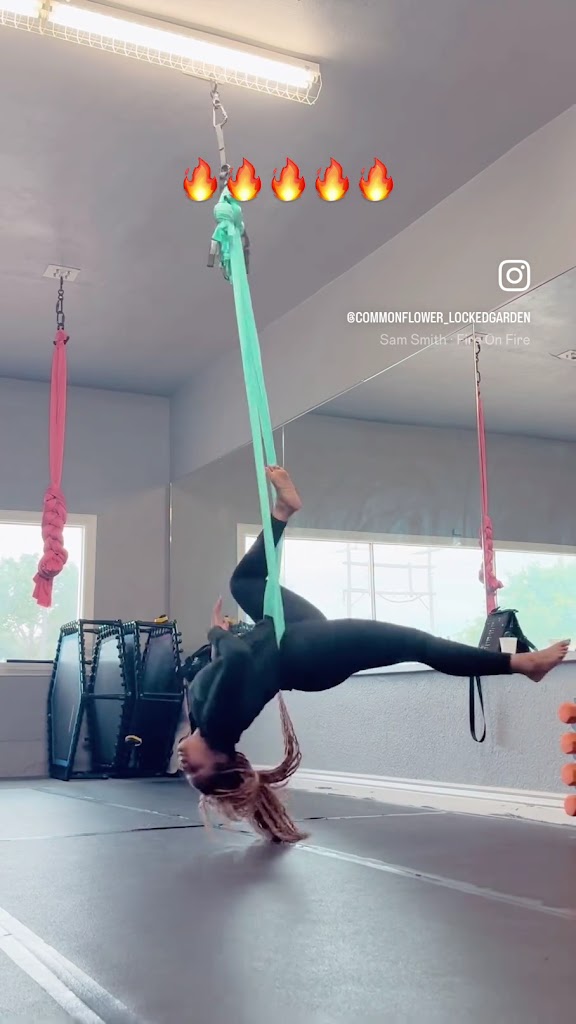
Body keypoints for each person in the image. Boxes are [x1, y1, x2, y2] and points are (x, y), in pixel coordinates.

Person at [178, 467, 570, 844]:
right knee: (415, 643)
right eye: (196, 768)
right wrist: (217, 633)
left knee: (245, 582)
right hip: (307, 655)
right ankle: (522, 664)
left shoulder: (203, 719)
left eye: (187, 771)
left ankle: (284, 509)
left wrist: (224, 641)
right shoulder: (217, 723)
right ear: (220, 757)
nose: (183, 762)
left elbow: (232, 668)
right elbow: (238, 661)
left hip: (288, 634)